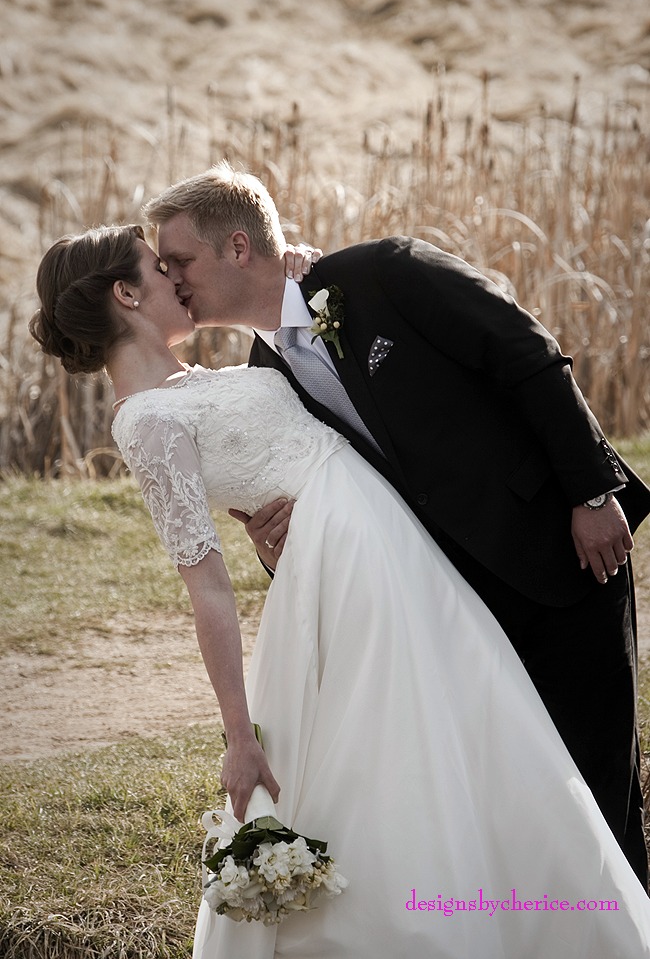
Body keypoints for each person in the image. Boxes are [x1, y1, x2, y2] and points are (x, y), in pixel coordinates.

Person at [30, 222, 650, 958]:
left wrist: (297, 270)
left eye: (177, 262)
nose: (175, 279)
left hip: (397, 555)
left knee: (482, 736)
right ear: (127, 294)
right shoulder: (148, 421)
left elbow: (305, 401)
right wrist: (238, 734)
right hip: (357, 578)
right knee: (402, 755)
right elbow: (208, 590)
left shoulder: (214, 371)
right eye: (157, 270)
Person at [145, 162, 650, 889]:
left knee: (602, 794)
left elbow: (524, 349)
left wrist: (593, 490)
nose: (173, 277)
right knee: (523, 809)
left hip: (557, 557)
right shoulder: (262, 382)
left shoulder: (381, 274)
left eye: (180, 260)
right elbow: (331, 502)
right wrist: (275, 547)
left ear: (237, 247)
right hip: (450, 612)